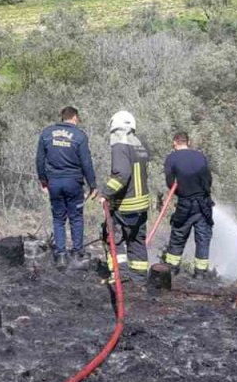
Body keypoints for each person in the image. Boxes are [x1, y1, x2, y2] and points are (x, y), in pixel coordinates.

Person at [36, 106, 97, 269]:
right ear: (75, 117)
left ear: (62, 117)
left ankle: (61, 256)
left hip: (54, 182)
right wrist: (93, 185)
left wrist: (43, 180)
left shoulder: (47, 133)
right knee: (76, 217)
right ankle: (77, 253)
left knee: (58, 218)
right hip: (73, 182)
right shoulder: (79, 136)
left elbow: (40, 159)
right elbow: (86, 162)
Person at [99, 110, 152, 279]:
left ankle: (120, 274)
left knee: (112, 235)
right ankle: (139, 277)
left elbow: (121, 175)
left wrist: (105, 193)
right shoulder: (139, 145)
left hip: (126, 203)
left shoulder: (120, 145)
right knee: (136, 239)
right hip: (141, 204)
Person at [161, 132, 215, 278]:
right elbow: (208, 179)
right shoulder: (199, 156)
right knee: (203, 237)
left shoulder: (171, 158)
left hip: (185, 203)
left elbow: (170, 182)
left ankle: (171, 269)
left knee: (178, 234)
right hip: (204, 203)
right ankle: (200, 273)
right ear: (188, 142)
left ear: (174, 143)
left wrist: (181, 190)